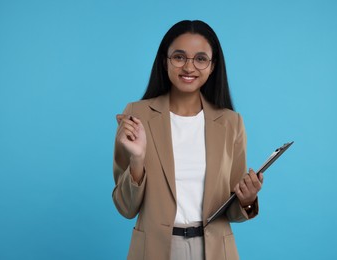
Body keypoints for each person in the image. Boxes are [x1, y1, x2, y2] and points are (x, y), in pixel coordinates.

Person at [112, 20, 264, 260]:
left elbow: (232, 212)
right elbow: (126, 207)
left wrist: (247, 200)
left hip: (214, 250)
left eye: (201, 59)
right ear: (165, 61)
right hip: (154, 249)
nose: (189, 67)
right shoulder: (137, 115)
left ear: (213, 66)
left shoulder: (231, 122)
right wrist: (138, 159)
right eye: (179, 57)